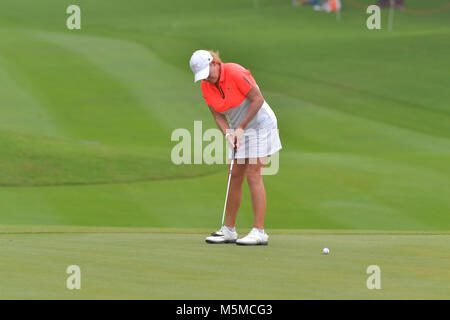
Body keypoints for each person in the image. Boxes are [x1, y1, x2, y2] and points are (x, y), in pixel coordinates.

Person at [189, 50, 282, 246]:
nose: (208, 78)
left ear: (214, 63)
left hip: (261, 125)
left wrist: (240, 127)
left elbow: (258, 100)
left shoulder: (235, 72)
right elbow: (217, 115)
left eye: (209, 72)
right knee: (235, 175)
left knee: (253, 173)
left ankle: (259, 232)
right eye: (203, 76)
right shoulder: (206, 86)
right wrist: (229, 134)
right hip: (240, 129)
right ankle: (229, 230)